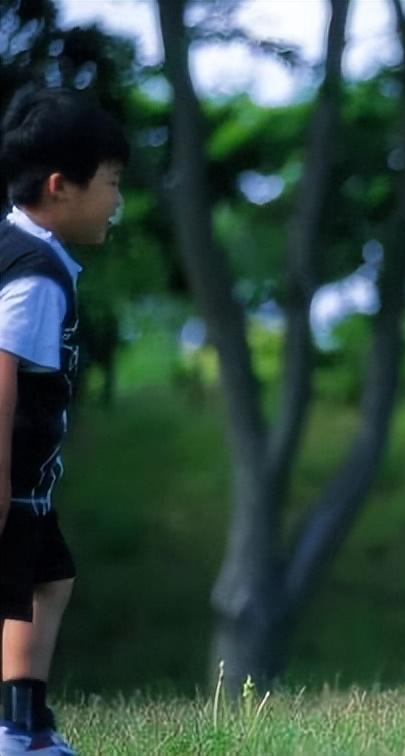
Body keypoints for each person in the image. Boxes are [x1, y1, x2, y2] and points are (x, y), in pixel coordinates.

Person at [0, 87, 128, 754]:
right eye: (110, 184)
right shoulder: (37, 277)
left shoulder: (23, 253)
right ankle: (17, 734)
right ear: (60, 187)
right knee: (26, 586)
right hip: (13, 478)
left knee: (47, 579)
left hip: (29, 483)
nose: (117, 202)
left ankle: (26, 725)